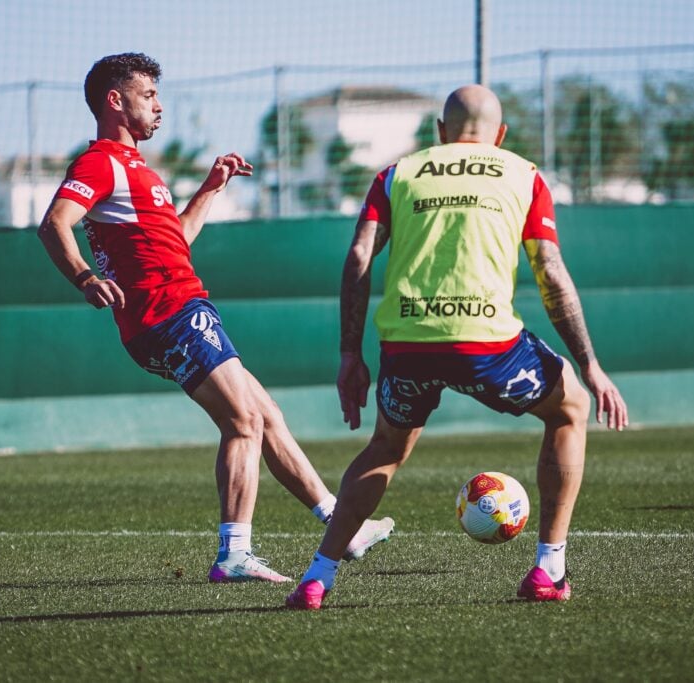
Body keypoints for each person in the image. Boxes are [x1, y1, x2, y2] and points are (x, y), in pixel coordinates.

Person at [36, 53, 393, 584]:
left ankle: (342, 523)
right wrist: (86, 277)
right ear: (115, 100)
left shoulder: (138, 170)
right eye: (148, 95)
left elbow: (173, 241)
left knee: (264, 414)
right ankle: (233, 554)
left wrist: (211, 188)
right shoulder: (101, 162)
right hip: (169, 312)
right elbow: (54, 224)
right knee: (243, 422)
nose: (159, 106)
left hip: (176, 309)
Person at [285, 84, 629, 609]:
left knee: (385, 449)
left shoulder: (397, 174)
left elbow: (358, 259)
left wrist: (350, 354)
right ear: (501, 134)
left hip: (406, 343)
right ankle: (548, 570)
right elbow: (551, 275)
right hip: (487, 344)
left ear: (440, 133)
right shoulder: (523, 174)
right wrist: (591, 365)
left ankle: (317, 577)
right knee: (570, 408)